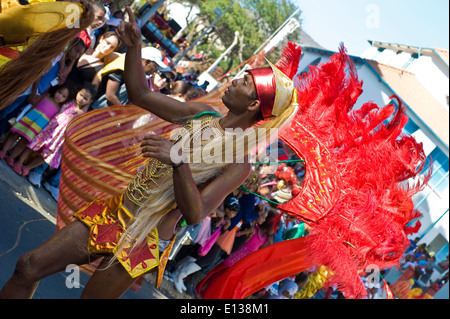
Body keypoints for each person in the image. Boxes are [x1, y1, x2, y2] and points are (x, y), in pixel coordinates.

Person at [0, 6, 300, 299]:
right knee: (28, 266)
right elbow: (140, 93)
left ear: (252, 105)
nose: (234, 81)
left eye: (244, 82)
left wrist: (178, 161)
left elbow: (195, 214)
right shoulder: (201, 114)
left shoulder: (239, 164)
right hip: (118, 211)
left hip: (147, 238)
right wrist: (134, 47)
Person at [19, 83, 97, 180]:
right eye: (81, 95)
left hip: (59, 137)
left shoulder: (82, 113)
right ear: (77, 93)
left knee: (46, 155)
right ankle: (19, 162)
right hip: (49, 129)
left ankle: (27, 168)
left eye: (85, 98)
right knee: (34, 145)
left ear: (90, 102)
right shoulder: (70, 101)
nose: (81, 99)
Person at [0, 84, 72, 176]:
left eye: (63, 96)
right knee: (14, 135)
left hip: (38, 127)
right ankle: (3, 151)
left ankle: (11, 157)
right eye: (59, 92)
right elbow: (33, 104)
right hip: (29, 118)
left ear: (66, 99)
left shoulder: (59, 110)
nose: (59, 96)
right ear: (56, 90)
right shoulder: (46, 96)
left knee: (23, 142)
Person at [91, 46, 170, 108]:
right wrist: (123, 114)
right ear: (147, 61)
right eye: (155, 66)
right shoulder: (123, 66)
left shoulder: (136, 74)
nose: (155, 71)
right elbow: (110, 96)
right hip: (95, 110)